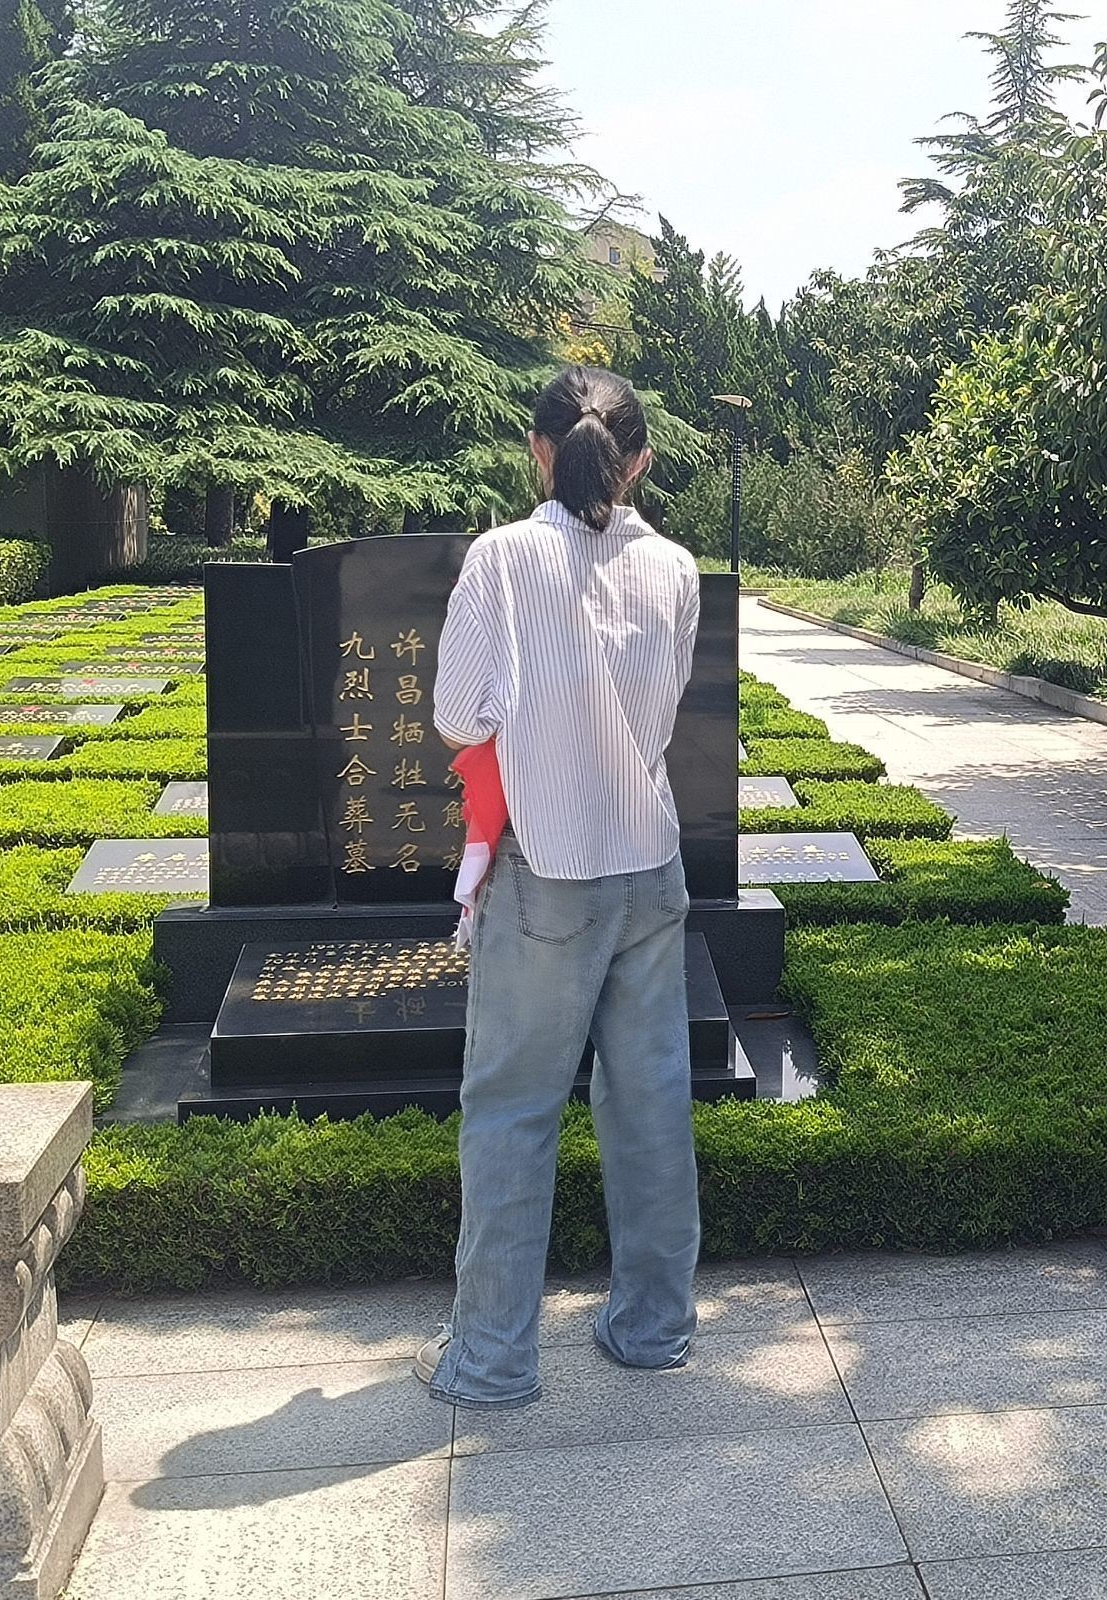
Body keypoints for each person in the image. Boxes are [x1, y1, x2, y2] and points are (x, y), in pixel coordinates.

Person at [419, 365, 702, 1408]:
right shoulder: (674, 566)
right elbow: (660, 715)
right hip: (649, 864)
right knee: (652, 1105)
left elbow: (458, 716)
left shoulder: (501, 558)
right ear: (640, 463)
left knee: (510, 1112)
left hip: (546, 870)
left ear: (538, 449)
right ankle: (653, 1329)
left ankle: (492, 1359)